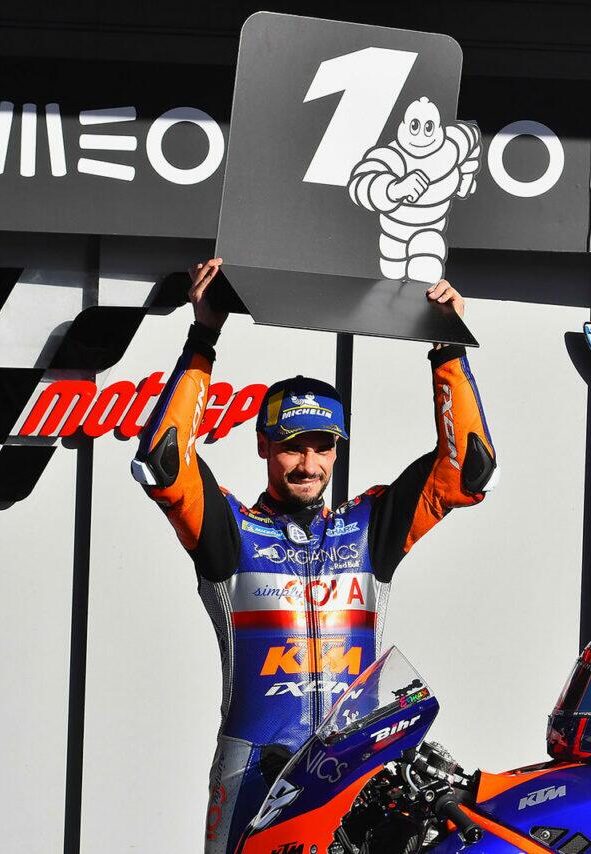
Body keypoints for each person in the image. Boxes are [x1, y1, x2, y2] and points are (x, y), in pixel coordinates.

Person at [132, 258, 497, 852]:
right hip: (256, 776)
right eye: (291, 446)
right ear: (262, 446)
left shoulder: (370, 528)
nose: (308, 464)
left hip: (356, 774)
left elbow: (469, 470)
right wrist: (203, 337)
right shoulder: (231, 533)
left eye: (322, 446)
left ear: (337, 449)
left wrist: (447, 350)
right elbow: (163, 463)